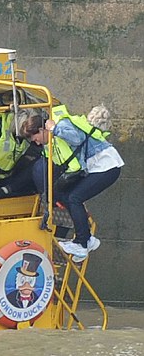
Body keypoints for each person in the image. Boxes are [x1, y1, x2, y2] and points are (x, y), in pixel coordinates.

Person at [22, 106, 123, 262]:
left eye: (36, 138)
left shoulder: (60, 125)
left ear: (42, 129)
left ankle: (82, 243)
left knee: (75, 197)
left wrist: (54, 128)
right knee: (69, 196)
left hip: (107, 165)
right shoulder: (52, 142)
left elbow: (77, 139)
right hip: (98, 167)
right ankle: (88, 240)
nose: (36, 142)